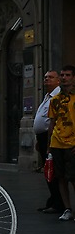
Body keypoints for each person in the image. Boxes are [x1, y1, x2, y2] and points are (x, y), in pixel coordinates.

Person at [47, 65, 75, 221]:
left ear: (73, 78)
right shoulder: (55, 100)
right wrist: (48, 147)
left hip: (72, 143)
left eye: (68, 75)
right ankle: (67, 208)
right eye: (62, 75)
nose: (64, 78)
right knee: (61, 178)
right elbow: (52, 122)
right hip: (57, 143)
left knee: (73, 178)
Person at [33, 70, 63, 213]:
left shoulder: (58, 96)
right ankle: (53, 200)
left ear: (58, 80)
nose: (47, 80)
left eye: (51, 77)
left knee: (53, 171)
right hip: (43, 138)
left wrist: (49, 142)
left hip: (52, 137)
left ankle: (58, 203)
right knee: (48, 171)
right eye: (45, 77)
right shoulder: (47, 96)